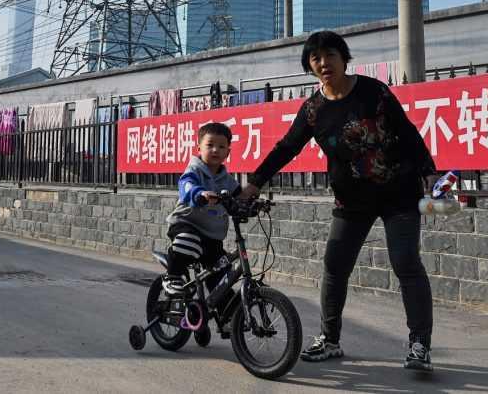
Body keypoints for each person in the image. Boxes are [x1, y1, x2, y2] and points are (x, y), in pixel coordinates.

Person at [240, 30, 437, 372]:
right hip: (352, 200)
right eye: (315, 58)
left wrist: (428, 170)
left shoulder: (373, 91)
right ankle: (329, 339)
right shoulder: (313, 109)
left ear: (344, 58)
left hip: (399, 193)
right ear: (310, 66)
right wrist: (255, 182)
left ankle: (419, 344)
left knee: (405, 262)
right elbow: (287, 147)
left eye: (330, 54)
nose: (323, 62)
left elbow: (405, 130)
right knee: (334, 267)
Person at [162, 122, 241, 296]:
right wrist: (200, 194)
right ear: (199, 147)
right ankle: (173, 275)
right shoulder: (194, 170)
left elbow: (240, 196)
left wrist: (252, 204)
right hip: (186, 225)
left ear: (228, 151)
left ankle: (229, 318)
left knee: (223, 281)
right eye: (210, 145)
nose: (215, 150)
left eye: (221, 146)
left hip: (212, 238)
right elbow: (186, 185)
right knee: (189, 241)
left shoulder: (227, 180)